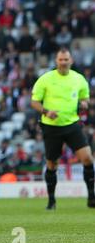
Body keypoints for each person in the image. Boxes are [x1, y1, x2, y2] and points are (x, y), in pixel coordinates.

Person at [31, 48, 95, 209]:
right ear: (56, 61)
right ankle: (51, 201)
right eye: (61, 59)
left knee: (87, 158)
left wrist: (85, 104)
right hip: (51, 127)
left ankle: (91, 197)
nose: (64, 62)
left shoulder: (79, 79)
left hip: (72, 124)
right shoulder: (46, 79)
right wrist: (46, 111)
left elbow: (85, 99)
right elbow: (34, 102)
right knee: (52, 164)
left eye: (66, 59)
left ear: (71, 61)